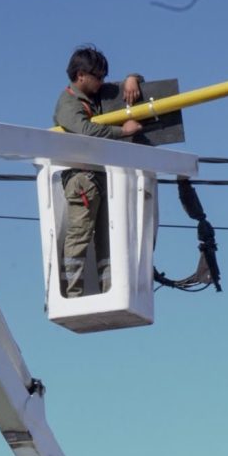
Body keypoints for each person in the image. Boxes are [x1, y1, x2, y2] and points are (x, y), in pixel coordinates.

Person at [52, 45, 144, 298]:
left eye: (104, 77)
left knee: (109, 237)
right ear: (81, 75)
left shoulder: (98, 97)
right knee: (79, 236)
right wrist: (123, 132)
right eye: (98, 77)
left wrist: (132, 78)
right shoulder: (68, 103)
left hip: (104, 177)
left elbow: (130, 90)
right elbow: (86, 130)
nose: (102, 82)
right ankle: (72, 294)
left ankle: (109, 291)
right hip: (83, 179)